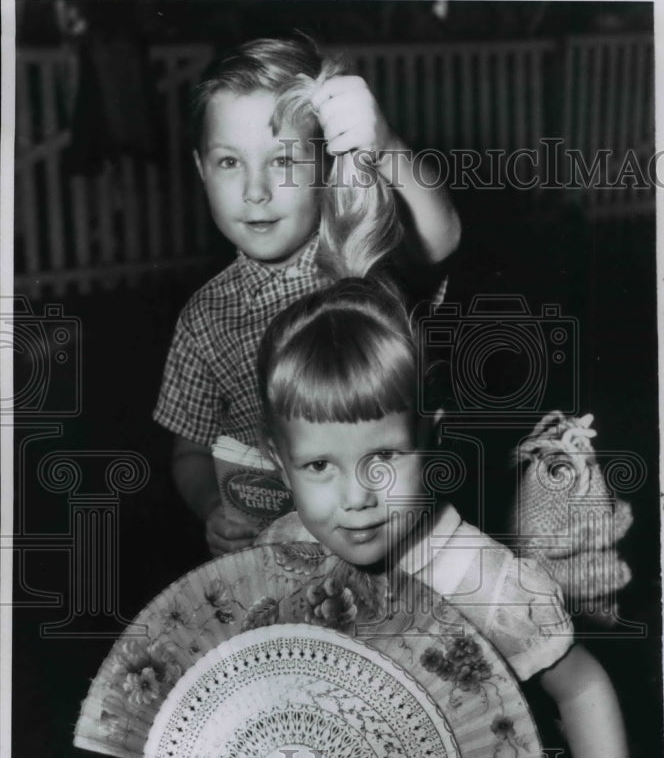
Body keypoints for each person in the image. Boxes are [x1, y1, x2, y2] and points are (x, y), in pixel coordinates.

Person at [134, 278, 664, 758]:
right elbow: (245, 676)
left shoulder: (472, 574)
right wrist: (174, 747)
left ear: (428, 435)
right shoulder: (283, 551)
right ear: (278, 460)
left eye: (382, 458)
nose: (355, 497)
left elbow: (580, 685)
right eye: (319, 467)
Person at [152, 36, 460, 558]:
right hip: (281, 555)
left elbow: (441, 236)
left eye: (284, 162)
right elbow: (189, 450)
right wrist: (210, 505)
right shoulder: (204, 318)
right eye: (229, 163)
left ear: (325, 164)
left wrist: (383, 146)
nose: (255, 191)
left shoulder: (358, 257)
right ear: (201, 169)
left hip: (398, 536)